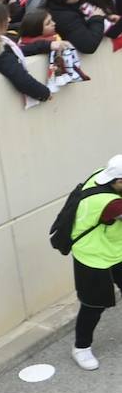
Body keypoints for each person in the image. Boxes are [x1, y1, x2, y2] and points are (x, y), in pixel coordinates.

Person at [66, 155, 122, 370]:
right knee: (93, 305)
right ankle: (81, 348)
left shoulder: (101, 175)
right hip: (92, 256)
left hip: (114, 248)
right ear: (118, 181)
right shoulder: (111, 204)